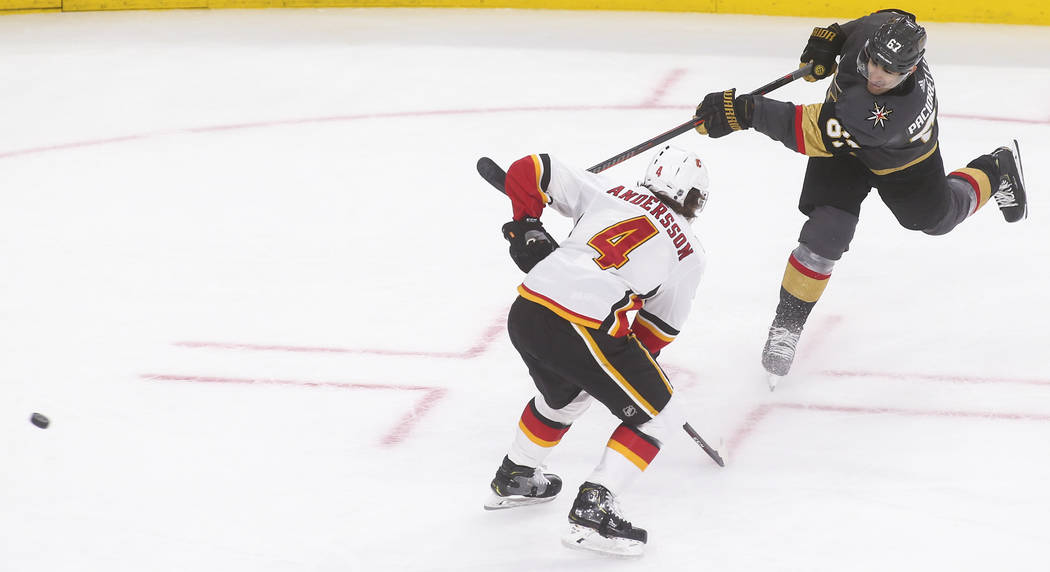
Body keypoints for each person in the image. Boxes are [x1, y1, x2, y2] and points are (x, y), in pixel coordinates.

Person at [691, 9, 1028, 386]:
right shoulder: (875, 36)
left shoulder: (892, 112)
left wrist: (744, 111)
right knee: (825, 233)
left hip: (904, 161)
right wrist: (832, 38)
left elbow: (803, 130)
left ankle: (995, 169)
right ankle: (786, 327)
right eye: (873, 61)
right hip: (844, 150)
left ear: (912, 71)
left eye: (891, 71)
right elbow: (892, 16)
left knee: (937, 219)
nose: (877, 74)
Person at [484, 145, 711, 557]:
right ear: (696, 201)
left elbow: (530, 167)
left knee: (564, 394)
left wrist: (527, 224)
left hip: (528, 307)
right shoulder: (689, 252)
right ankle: (594, 509)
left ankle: (517, 474)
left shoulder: (609, 190)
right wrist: (636, 380)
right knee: (660, 415)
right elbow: (656, 334)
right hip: (584, 323)